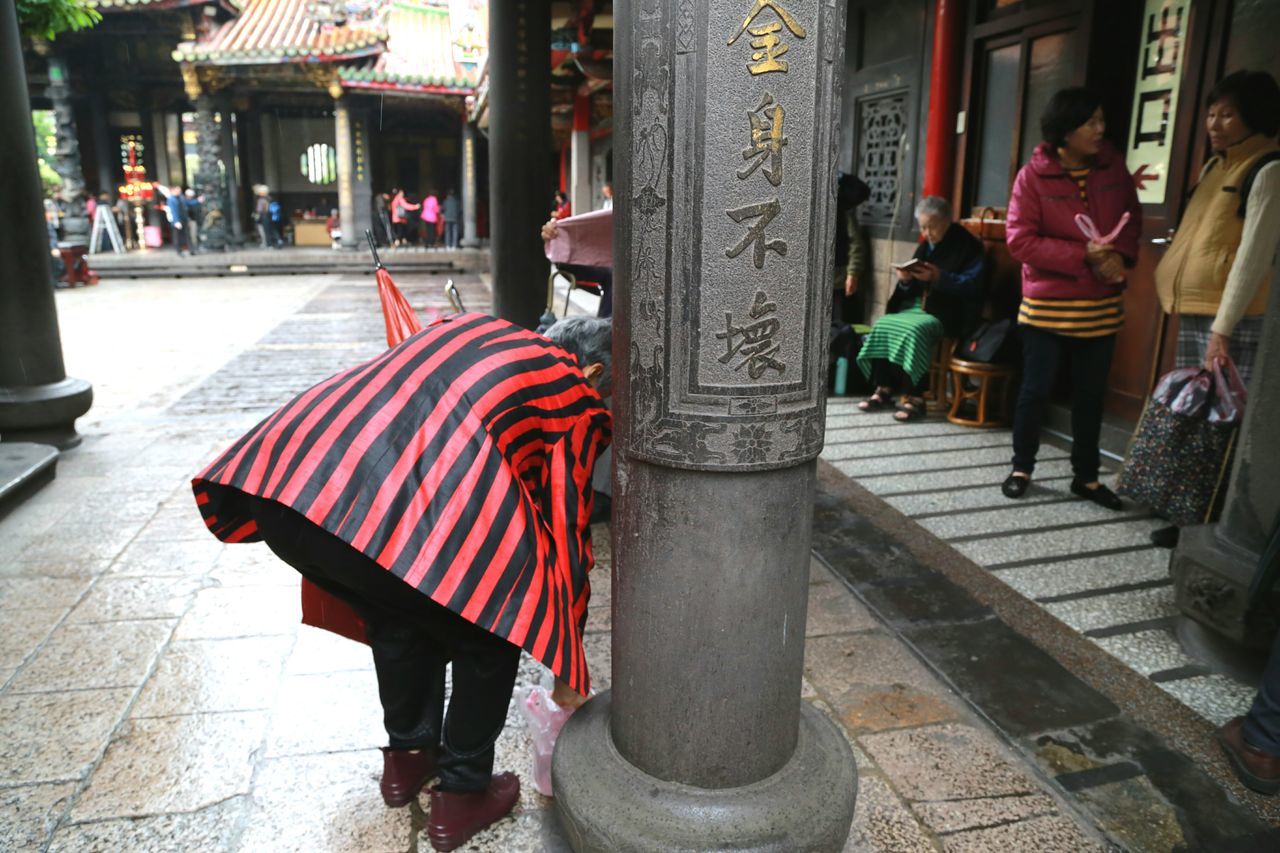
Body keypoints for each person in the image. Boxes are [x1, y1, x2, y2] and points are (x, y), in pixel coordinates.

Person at [190, 315, 612, 851]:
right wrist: (566, 655)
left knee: (400, 614)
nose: (600, 402)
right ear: (594, 371)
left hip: (287, 485)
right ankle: (463, 795)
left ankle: (408, 760)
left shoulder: (479, 328)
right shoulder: (572, 390)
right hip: (364, 509)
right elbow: (566, 523)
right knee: (492, 631)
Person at [1148, 70, 1280, 548]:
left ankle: (1214, 523)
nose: (1214, 123)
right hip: (1196, 307)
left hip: (1236, 317)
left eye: (1227, 114)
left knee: (1223, 421)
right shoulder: (1215, 167)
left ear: (1256, 117)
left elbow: (1253, 257)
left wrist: (1223, 327)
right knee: (1194, 413)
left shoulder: (1267, 169)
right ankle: (1188, 516)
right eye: (1210, 113)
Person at [1003, 87, 1142, 507]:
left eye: (1102, 120)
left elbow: (1131, 221)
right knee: (1036, 390)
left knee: (1090, 395)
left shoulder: (1113, 168)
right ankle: (1021, 466)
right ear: (1065, 131)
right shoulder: (1033, 176)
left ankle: (1086, 477)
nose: (1101, 129)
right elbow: (1020, 241)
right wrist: (1084, 255)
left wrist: (1120, 258)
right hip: (1046, 307)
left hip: (1100, 307)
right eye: (1091, 122)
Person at [857, 196, 985, 421]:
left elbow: (974, 285)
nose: (926, 233)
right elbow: (911, 288)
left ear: (947, 221)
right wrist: (906, 280)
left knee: (915, 331)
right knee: (883, 324)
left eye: (932, 227)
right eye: (923, 227)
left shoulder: (968, 246)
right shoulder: (926, 245)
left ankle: (915, 398)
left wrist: (938, 277)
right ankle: (884, 389)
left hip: (949, 311)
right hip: (919, 307)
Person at [832, 173, 871, 326]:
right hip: (815, 277)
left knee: (841, 324)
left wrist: (852, 273)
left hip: (839, 277)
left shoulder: (842, 205)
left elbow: (855, 243)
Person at [166, 185, 191, 256]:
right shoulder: (171, 199)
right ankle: (178, 250)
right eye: (177, 190)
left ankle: (190, 249)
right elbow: (173, 211)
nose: (179, 191)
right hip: (176, 220)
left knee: (187, 235)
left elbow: (188, 204)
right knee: (177, 236)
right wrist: (176, 221)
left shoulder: (181, 197)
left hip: (184, 219)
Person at [184, 188, 203, 253]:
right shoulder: (186, 201)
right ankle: (193, 248)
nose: (190, 197)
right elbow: (190, 203)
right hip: (191, 221)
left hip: (195, 220)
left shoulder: (192, 201)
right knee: (192, 235)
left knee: (195, 235)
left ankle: (195, 248)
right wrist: (198, 200)